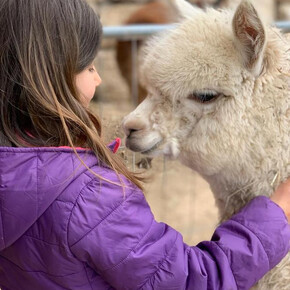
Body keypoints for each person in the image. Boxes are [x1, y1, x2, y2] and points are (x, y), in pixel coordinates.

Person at [0, 0, 289, 289]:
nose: (100, 78)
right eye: (88, 67)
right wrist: (276, 213)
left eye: (202, 96)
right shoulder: (89, 197)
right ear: (48, 77)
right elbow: (189, 281)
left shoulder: (19, 165)